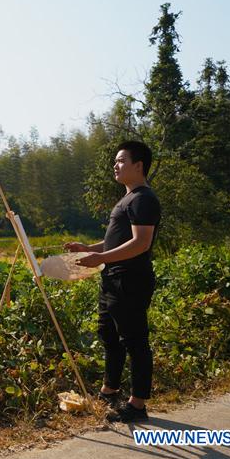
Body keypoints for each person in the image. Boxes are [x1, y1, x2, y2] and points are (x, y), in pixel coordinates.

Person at [65, 140, 161, 423]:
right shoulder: (128, 198)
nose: (115, 166)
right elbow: (115, 240)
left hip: (130, 280)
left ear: (138, 166)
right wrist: (90, 249)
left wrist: (103, 256)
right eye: (115, 161)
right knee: (109, 336)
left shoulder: (144, 198)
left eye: (121, 161)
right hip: (112, 279)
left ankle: (137, 404)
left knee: (134, 341)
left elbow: (141, 243)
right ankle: (110, 390)